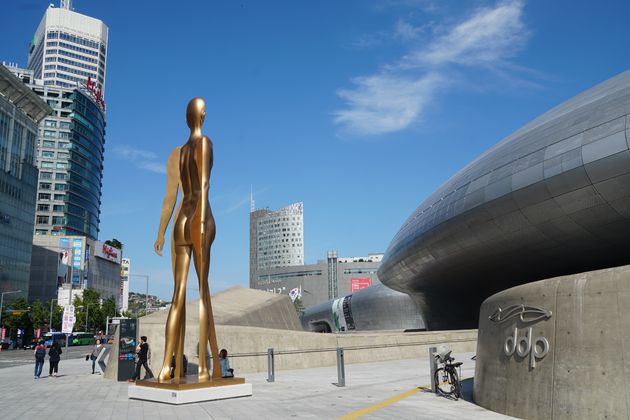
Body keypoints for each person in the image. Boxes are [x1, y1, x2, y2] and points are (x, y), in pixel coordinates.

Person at [154, 98, 221, 381]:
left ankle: (167, 366)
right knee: (202, 290)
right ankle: (204, 368)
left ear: (186, 118)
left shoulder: (177, 153)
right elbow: (204, 185)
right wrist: (202, 223)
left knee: (177, 295)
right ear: (203, 115)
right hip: (197, 217)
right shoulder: (204, 143)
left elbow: (170, 198)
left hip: (180, 219)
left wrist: (160, 233)